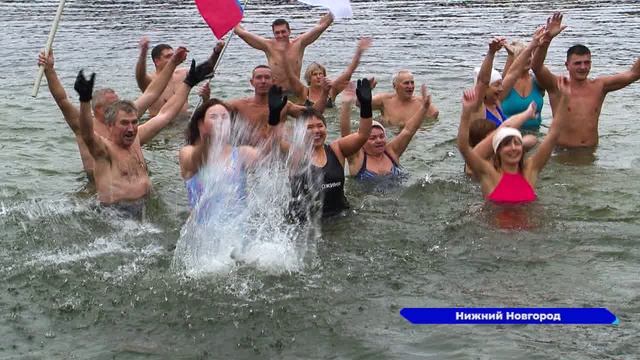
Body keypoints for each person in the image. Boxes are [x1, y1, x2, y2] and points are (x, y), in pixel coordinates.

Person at [72, 55, 218, 208]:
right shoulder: (103, 150)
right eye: (124, 123)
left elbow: (165, 114)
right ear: (110, 126)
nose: (131, 128)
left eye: (134, 122)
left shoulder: (136, 138)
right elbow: (87, 134)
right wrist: (84, 100)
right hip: (117, 215)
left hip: (146, 207)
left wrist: (188, 83)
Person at [38, 47, 188, 178]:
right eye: (113, 105)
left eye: (119, 103)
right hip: (99, 186)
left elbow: (152, 93)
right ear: (97, 110)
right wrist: (50, 70)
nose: (119, 108)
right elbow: (62, 100)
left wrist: (173, 62)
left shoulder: (125, 117)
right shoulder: (85, 126)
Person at [532, 12, 640, 148]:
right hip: (563, 155)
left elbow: (633, 74)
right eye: (577, 63)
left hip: (590, 154)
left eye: (586, 62)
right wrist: (547, 39)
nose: (583, 67)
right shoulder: (557, 85)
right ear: (567, 65)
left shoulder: (600, 86)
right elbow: (536, 66)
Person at [269, 79, 373, 218]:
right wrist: (274, 115)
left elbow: (363, 135)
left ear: (326, 128)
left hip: (339, 217)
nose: (316, 131)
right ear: (299, 132)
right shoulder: (295, 153)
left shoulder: (337, 149)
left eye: (320, 126)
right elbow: (273, 141)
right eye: (309, 128)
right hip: (303, 224)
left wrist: (366, 106)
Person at [457, 76, 571, 203]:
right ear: (497, 150)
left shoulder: (530, 169)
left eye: (517, 143)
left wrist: (565, 98)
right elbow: (464, 148)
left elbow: (553, 135)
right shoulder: (489, 173)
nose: (513, 148)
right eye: (506, 144)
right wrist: (466, 112)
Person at [179, 99, 259, 217]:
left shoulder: (243, 153)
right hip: (201, 231)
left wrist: (274, 121)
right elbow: (195, 161)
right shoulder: (187, 151)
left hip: (240, 229)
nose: (220, 121)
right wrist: (209, 139)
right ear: (201, 125)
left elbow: (272, 155)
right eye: (214, 117)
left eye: (224, 117)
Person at [340, 82, 430, 182]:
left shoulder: (391, 152)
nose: (379, 140)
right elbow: (345, 136)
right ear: (362, 141)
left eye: (381, 136)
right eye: (372, 138)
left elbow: (409, 130)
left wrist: (424, 108)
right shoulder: (357, 158)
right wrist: (346, 104)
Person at [225, 65, 329, 146]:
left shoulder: (284, 106)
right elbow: (211, 111)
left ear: (273, 81)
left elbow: (315, 114)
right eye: (259, 78)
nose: (263, 81)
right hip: (248, 152)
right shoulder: (239, 105)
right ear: (252, 82)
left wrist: (325, 93)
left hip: (274, 154)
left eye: (267, 78)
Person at [234, 13, 334, 90]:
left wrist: (335, 9)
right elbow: (241, 33)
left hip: (296, 92)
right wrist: (228, 16)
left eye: (283, 32)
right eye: (277, 33)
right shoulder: (268, 46)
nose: (280, 35)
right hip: (276, 92)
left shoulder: (299, 44)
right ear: (273, 34)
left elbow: (322, 25)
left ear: (289, 31)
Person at [286, 37, 373, 107]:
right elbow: (290, 76)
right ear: (309, 78)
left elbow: (349, 72)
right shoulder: (304, 92)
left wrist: (359, 52)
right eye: (315, 74)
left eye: (321, 74)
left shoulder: (332, 91)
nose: (318, 76)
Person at [135, 38, 190, 117]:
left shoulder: (183, 74)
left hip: (185, 122)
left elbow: (206, 69)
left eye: (173, 55)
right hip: (164, 127)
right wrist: (143, 54)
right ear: (157, 61)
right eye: (168, 56)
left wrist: (214, 53)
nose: (172, 58)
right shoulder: (152, 82)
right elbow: (140, 76)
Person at [501, 40, 546, 131]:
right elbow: (507, 77)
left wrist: (543, 45)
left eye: (530, 55)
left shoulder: (537, 81)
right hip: (509, 136)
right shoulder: (505, 84)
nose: (528, 59)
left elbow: (539, 67)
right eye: (522, 56)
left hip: (535, 134)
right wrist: (510, 55)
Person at [370, 70, 439, 128]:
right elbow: (361, 103)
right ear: (395, 85)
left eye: (412, 82)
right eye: (406, 83)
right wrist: (367, 90)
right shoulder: (384, 100)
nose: (410, 86)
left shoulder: (421, 102)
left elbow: (435, 116)